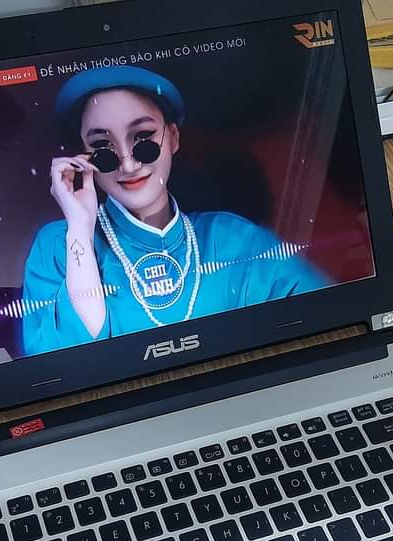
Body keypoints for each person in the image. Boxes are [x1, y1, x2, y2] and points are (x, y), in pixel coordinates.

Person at [21, 65, 326, 355]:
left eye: (143, 139)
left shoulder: (234, 238)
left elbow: (323, 319)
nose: (128, 164)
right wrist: (79, 228)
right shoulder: (59, 245)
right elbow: (64, 362)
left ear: (174, 138)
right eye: (102, 147)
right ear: (84, 158)